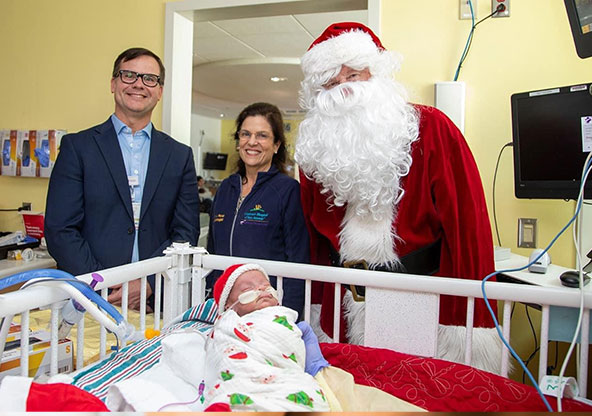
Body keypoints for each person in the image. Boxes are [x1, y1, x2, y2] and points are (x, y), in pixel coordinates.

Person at [294, 22, 499, 371]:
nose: (343, 89)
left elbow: (468, 228)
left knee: (409, 388)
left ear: (377, 74)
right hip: (343, 300)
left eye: (353, 75)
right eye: (330, 83)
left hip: (416, 295)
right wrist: (319, 307)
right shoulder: (316, 149)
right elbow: (315, 242)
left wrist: (470, 323)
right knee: (352, 391)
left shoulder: (432, 128)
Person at [45, 47, 200, 310]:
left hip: (155, 299)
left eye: (149, 79)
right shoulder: (77, 147)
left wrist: (149, 281)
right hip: (88, 296)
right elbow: (60, 229)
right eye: (129, 75)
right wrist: (104, 283)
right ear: (113, 83)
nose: (139, 84)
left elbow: (185, 231)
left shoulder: (179, 155)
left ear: (160, 91)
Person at [206, 263, 421, 412]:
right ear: (230, 305)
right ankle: (229, 405)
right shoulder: (230, 324)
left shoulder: (286, 319)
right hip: (244, 361)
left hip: (284, 372)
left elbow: (300, 356)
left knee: (302, 391)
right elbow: (220, 348)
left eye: (266, 285)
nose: (261, 289)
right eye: (248, 289)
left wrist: (315, 362)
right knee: (234, 376)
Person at [206, 102, 309, 318]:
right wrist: (211, 302)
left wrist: (290, 315)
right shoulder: (225, 188)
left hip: (267, 308)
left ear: (276, 145)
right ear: (238, 141)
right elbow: (212, 252)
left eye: (262, 135)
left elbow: (297, 261)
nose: (252, 142)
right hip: (226, 307)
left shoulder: (287, 190)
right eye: (245, 134)